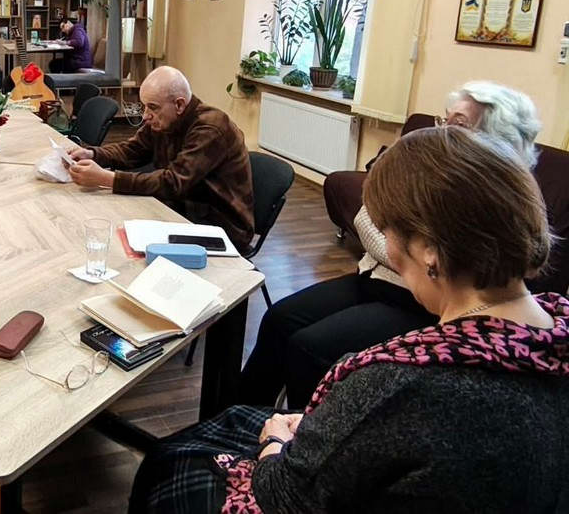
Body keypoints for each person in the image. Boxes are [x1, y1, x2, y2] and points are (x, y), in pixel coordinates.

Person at [131, 126, 568, 513]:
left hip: (288, 486)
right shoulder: (551, 339)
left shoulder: (398, 386)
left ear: (429, 252)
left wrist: (276, 443)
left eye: (388, 231)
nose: (386, 246)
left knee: (168, 461)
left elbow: (282, 496)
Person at [237, 81, 544, 408]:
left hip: (417, 303)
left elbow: (443, 271)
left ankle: (300, 428)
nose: (442, 132)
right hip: (373, 278)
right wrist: (402, 252)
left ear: (494, 140)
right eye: (444, 120)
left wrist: (396, 251)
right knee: (279, 319)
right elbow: (366, 214)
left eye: (458, 124)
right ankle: (237, 415)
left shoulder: (493, 201)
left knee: (308, 348)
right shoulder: (431, 170)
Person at [68, 66, 254, 250]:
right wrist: (93, 154)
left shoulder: (211, 128)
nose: (145, 115)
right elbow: (133, 150)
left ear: (179, 105)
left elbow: (172, 183)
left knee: (114, 239)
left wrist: (107, 178)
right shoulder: (164, 119)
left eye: (152, 107)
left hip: (219, 226)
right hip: (183, 208)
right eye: (144, 106)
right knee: (107, 224)